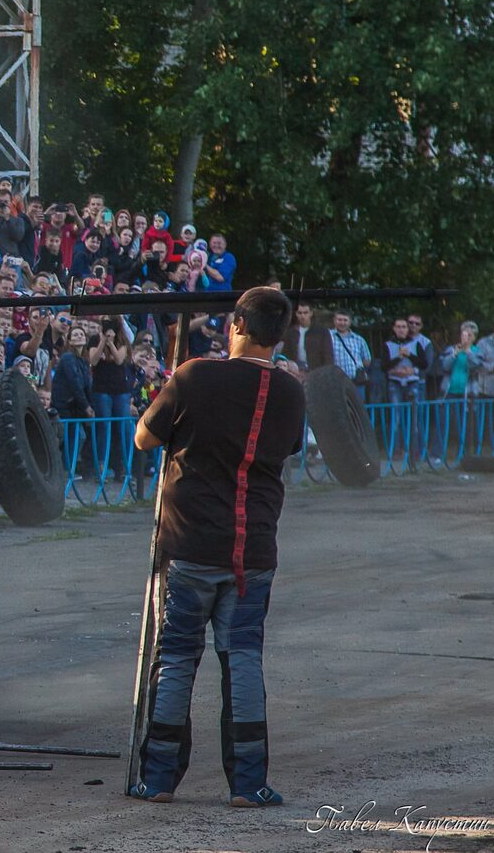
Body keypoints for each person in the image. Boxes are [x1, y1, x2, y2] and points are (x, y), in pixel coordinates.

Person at [129, 287, 307, 807]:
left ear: (236, 324)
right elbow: (288, 447)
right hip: (253, 547)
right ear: (278, 336)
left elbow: (145, 438)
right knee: (244, 660)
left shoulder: (195, 375)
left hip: (189, 544)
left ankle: (159, 779)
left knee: (178, 658)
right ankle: (248, 783)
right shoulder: (291, 392)